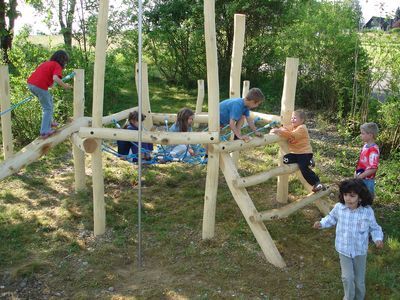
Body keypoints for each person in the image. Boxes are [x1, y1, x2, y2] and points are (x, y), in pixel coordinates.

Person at [313, 178, 384, 300]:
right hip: (343, 249)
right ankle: (348, 297)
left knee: (359, 280)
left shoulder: (367, 212)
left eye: (352, 196)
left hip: (360, 251)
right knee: (347, 277)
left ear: (360, 197)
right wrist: (322, 223)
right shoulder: (339, 208)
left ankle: (359, 297)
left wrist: (378, 239)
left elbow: (374, 228)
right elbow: (331, 218)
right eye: (345, 195)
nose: (348, 198)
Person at [270, 110, 324, 192]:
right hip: (297, 153)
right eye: (292, 118)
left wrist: (279, 131)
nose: (292, 120)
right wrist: (276, 129)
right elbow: (285, 128)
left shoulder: (302, 128)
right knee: (286, 159)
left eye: (295, 118)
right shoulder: (293, 126)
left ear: (302, 120)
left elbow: (292, 135)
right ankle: (309, 161)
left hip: (304, 152)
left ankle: (316, 182)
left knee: (303, 168)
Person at [27, 50, 72, 138]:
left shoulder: (48, 63)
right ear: (63, 60)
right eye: (66, 62)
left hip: (31, 84)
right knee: (47, 108)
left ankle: (50, 122)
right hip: (39, 86)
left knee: (49, 100)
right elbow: (55, 78)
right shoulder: (57, 66)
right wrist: (65, 86)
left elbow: (50, 82)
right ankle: (44, 131)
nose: (65, 64)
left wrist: (53, 84)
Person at [354, 122, 379, 197]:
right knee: (359, 197)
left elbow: (373, 168)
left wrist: (361, 176)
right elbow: (361, 162)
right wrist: (356, 172)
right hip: (360, 177)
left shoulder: (373, 150)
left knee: (366, 198)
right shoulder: (365, 146)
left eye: (363, 133)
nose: (361, 135)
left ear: (370, 135)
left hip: (367, 180)